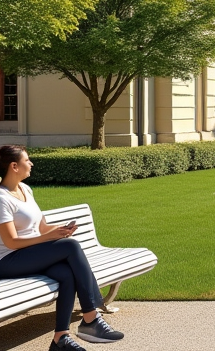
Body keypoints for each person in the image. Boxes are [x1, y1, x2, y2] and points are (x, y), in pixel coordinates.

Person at [0, 145, 125, 349]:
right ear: (14, 166)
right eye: (27, 160)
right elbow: (11, 242)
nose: (31, 163)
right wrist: (50, 238)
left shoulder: (26, 189)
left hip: (31, 255)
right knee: (71, 246)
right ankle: (91, 317)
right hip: (9, 260)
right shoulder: (1, 198)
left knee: (66, 273)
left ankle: (61, 338)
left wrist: (60, 230)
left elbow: (41, 227)